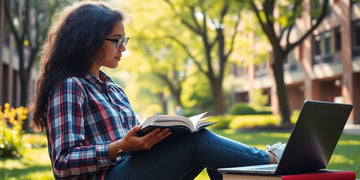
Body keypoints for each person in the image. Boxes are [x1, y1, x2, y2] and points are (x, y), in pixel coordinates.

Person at [30, 1, 285, 180]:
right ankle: (271, 158)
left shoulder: (114, 89)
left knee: (215, 158)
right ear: (90, 41)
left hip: (129, 169)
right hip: (106, 176)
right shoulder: (70, 86)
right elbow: (63, 163)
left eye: (124, 40)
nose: (123, 48)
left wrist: (156, 137)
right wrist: (119, 146)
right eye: (117, 40)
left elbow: (134, 143)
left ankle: (264, 165)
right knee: (196, 142)